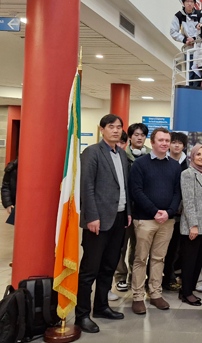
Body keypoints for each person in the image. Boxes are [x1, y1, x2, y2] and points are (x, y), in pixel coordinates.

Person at [75, 114, 131, 333]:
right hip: (98, 220)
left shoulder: (121, 154)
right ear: (102, 129)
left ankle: (101, 307)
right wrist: (92, 216)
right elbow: (86, 187)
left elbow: (123, 187)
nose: (116, 131)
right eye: (111, 127)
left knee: (109, 267)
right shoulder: (92, 153)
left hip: (118, 218)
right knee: (90, 270)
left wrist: (128, 212)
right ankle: (81, 315)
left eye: (119, 127)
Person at [128, 128, 182, 315]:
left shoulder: (174, 166)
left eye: (167, 140)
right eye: (161, 140)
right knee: (140, 258)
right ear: (152, 142)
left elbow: (177, 192)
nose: (165, 143)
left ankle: (156, 293)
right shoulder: (140, 164)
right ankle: (137, 296)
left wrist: (168, 212)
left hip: (167, 221)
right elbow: (136, 191)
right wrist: (154, 211)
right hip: (145, 219)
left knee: (159, 258)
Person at [179, 144, 202, 306]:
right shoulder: (188, 174)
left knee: (198, 260)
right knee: (189, 260)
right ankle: (186, 292)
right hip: (192, 226)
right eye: (198, 154)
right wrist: (193, 225)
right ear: (192, 156)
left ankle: (188, 290)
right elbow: (188, 201)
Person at [114, 124, 149, 293]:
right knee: (121, 245)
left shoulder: (151, 155)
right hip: (125, 208)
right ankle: (120, 276)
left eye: (142, 135)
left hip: (143, 210)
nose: (139, 138)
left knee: (138, 246)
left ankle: (135, 277)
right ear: (130, 137)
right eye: (136, 135)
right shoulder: (121, 155)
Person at [162, 131, 190, 293]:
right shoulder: (163, 161)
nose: (176, 145)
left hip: (181, 215)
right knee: (160, 249)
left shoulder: (188, 163)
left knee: (175, 249)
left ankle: (170, 278)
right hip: (164, 212)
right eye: (174, 142)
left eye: (180, 143)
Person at [170, 0, 202, 86]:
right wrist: (185, 40)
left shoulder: (200, 15)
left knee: (198, 75)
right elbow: (173, 32)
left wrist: (194, 38)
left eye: (191, 1)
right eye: (187, 1)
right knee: (189, 75)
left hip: (199, 49)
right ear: (183, 2)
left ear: (194, 3)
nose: (189, 3)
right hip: (188, 50)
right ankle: (190, 94)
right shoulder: (178, 16)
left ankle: (196, 94)